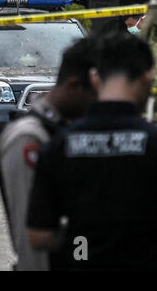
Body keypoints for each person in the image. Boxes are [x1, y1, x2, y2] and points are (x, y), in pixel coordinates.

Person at [27, 32, 156, 270]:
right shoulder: (152, 141)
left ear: (95, 78)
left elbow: (39, 236)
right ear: (147, 78)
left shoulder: (59, 145)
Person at [0, 38, 99, 271]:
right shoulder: (30, 137)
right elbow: (30, 237)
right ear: (75, 86)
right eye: (96, 95)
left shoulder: (63, 129)